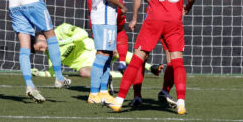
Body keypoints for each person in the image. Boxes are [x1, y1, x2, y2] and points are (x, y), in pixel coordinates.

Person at [109, 0, 196, 115]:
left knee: (137, 59)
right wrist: (187, 6)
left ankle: (119, 100)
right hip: (174, 19)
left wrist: (151, 0)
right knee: (177, 62)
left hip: (154, 18)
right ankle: (180, 103)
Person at [30, 23, 163, 79]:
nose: (44, 50)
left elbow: (83, 34)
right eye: (41, 51)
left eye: (41, 46)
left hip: (95, 51)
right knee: (83, 72)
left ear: (42, 37)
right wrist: (39, 74)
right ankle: (124, 75)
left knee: (114, 50)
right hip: (88, 65)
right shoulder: (50, 53)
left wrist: (63, 42)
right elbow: (54, 72)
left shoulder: (62, 29)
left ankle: (150, 67)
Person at [87, 0, 127, 104]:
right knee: (103, 55)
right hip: (105, 16)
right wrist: (121, 6)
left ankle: (103, 91)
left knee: (108, 54)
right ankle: (93, 93)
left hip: (98, 13)